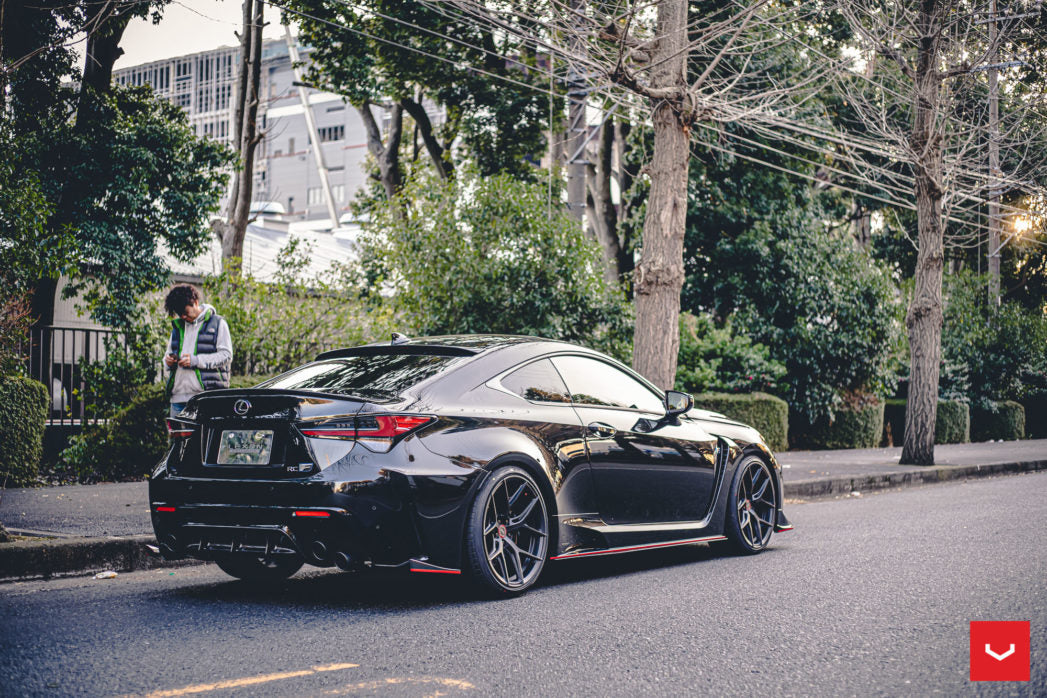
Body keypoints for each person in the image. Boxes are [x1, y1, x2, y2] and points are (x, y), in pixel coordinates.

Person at [163, 284, 232, 417]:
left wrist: (196, 360)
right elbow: (167, 355)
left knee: (206, 432)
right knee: (177, 432)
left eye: (185, 312)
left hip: (206, 398)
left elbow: (226, 355)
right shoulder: (178, 327)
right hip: (177, 398)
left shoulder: (217, 323)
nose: (183, 317)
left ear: (195, 302)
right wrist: (168, 361)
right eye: (180, 314)